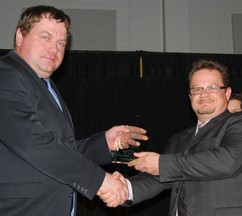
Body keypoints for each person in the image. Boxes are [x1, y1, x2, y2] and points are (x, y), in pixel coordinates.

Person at [0, 5, 148, 216]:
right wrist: (100, 181)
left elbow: (62, 150)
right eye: (45, 37)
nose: (54, 49)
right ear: (20, 36)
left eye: (61, 43)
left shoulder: (45, 85)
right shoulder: (6, 74)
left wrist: (103, 143)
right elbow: (33, 143)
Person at [100, 59, 242, 215]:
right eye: (197, 89)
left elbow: (227, 161)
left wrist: (161, 163)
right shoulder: (179, 139)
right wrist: (125, 188)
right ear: (190, 96)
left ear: (227, 93)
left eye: (213, 88)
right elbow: (161, 177)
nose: (204, 94)